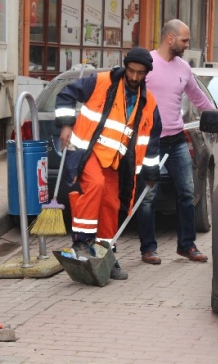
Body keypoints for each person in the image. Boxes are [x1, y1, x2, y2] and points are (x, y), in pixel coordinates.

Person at [55, 47, 162, 280]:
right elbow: (66, 94)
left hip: (116, 161)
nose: (134, 77)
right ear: (125, 67)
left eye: (140, 73)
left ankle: (107, 255)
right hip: (87, 151)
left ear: (146, 74)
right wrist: (65, 124)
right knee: (95, 185)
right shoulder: (100, 83)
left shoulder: (149, 104)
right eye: (131, 71)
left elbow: (150, 142)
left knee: (111, 204)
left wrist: (152, 172)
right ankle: (82, 242)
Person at [137, 19, 215, 265]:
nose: (186, 44)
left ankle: (186, 246)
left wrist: (217, 117)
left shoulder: (183, 68)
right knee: (148, 195)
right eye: (184, 40)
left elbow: (199, 98)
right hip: (151, 142)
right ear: (170, 38)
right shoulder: (147, 65)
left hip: (177, 140)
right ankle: (148, 248)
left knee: (187, 193)